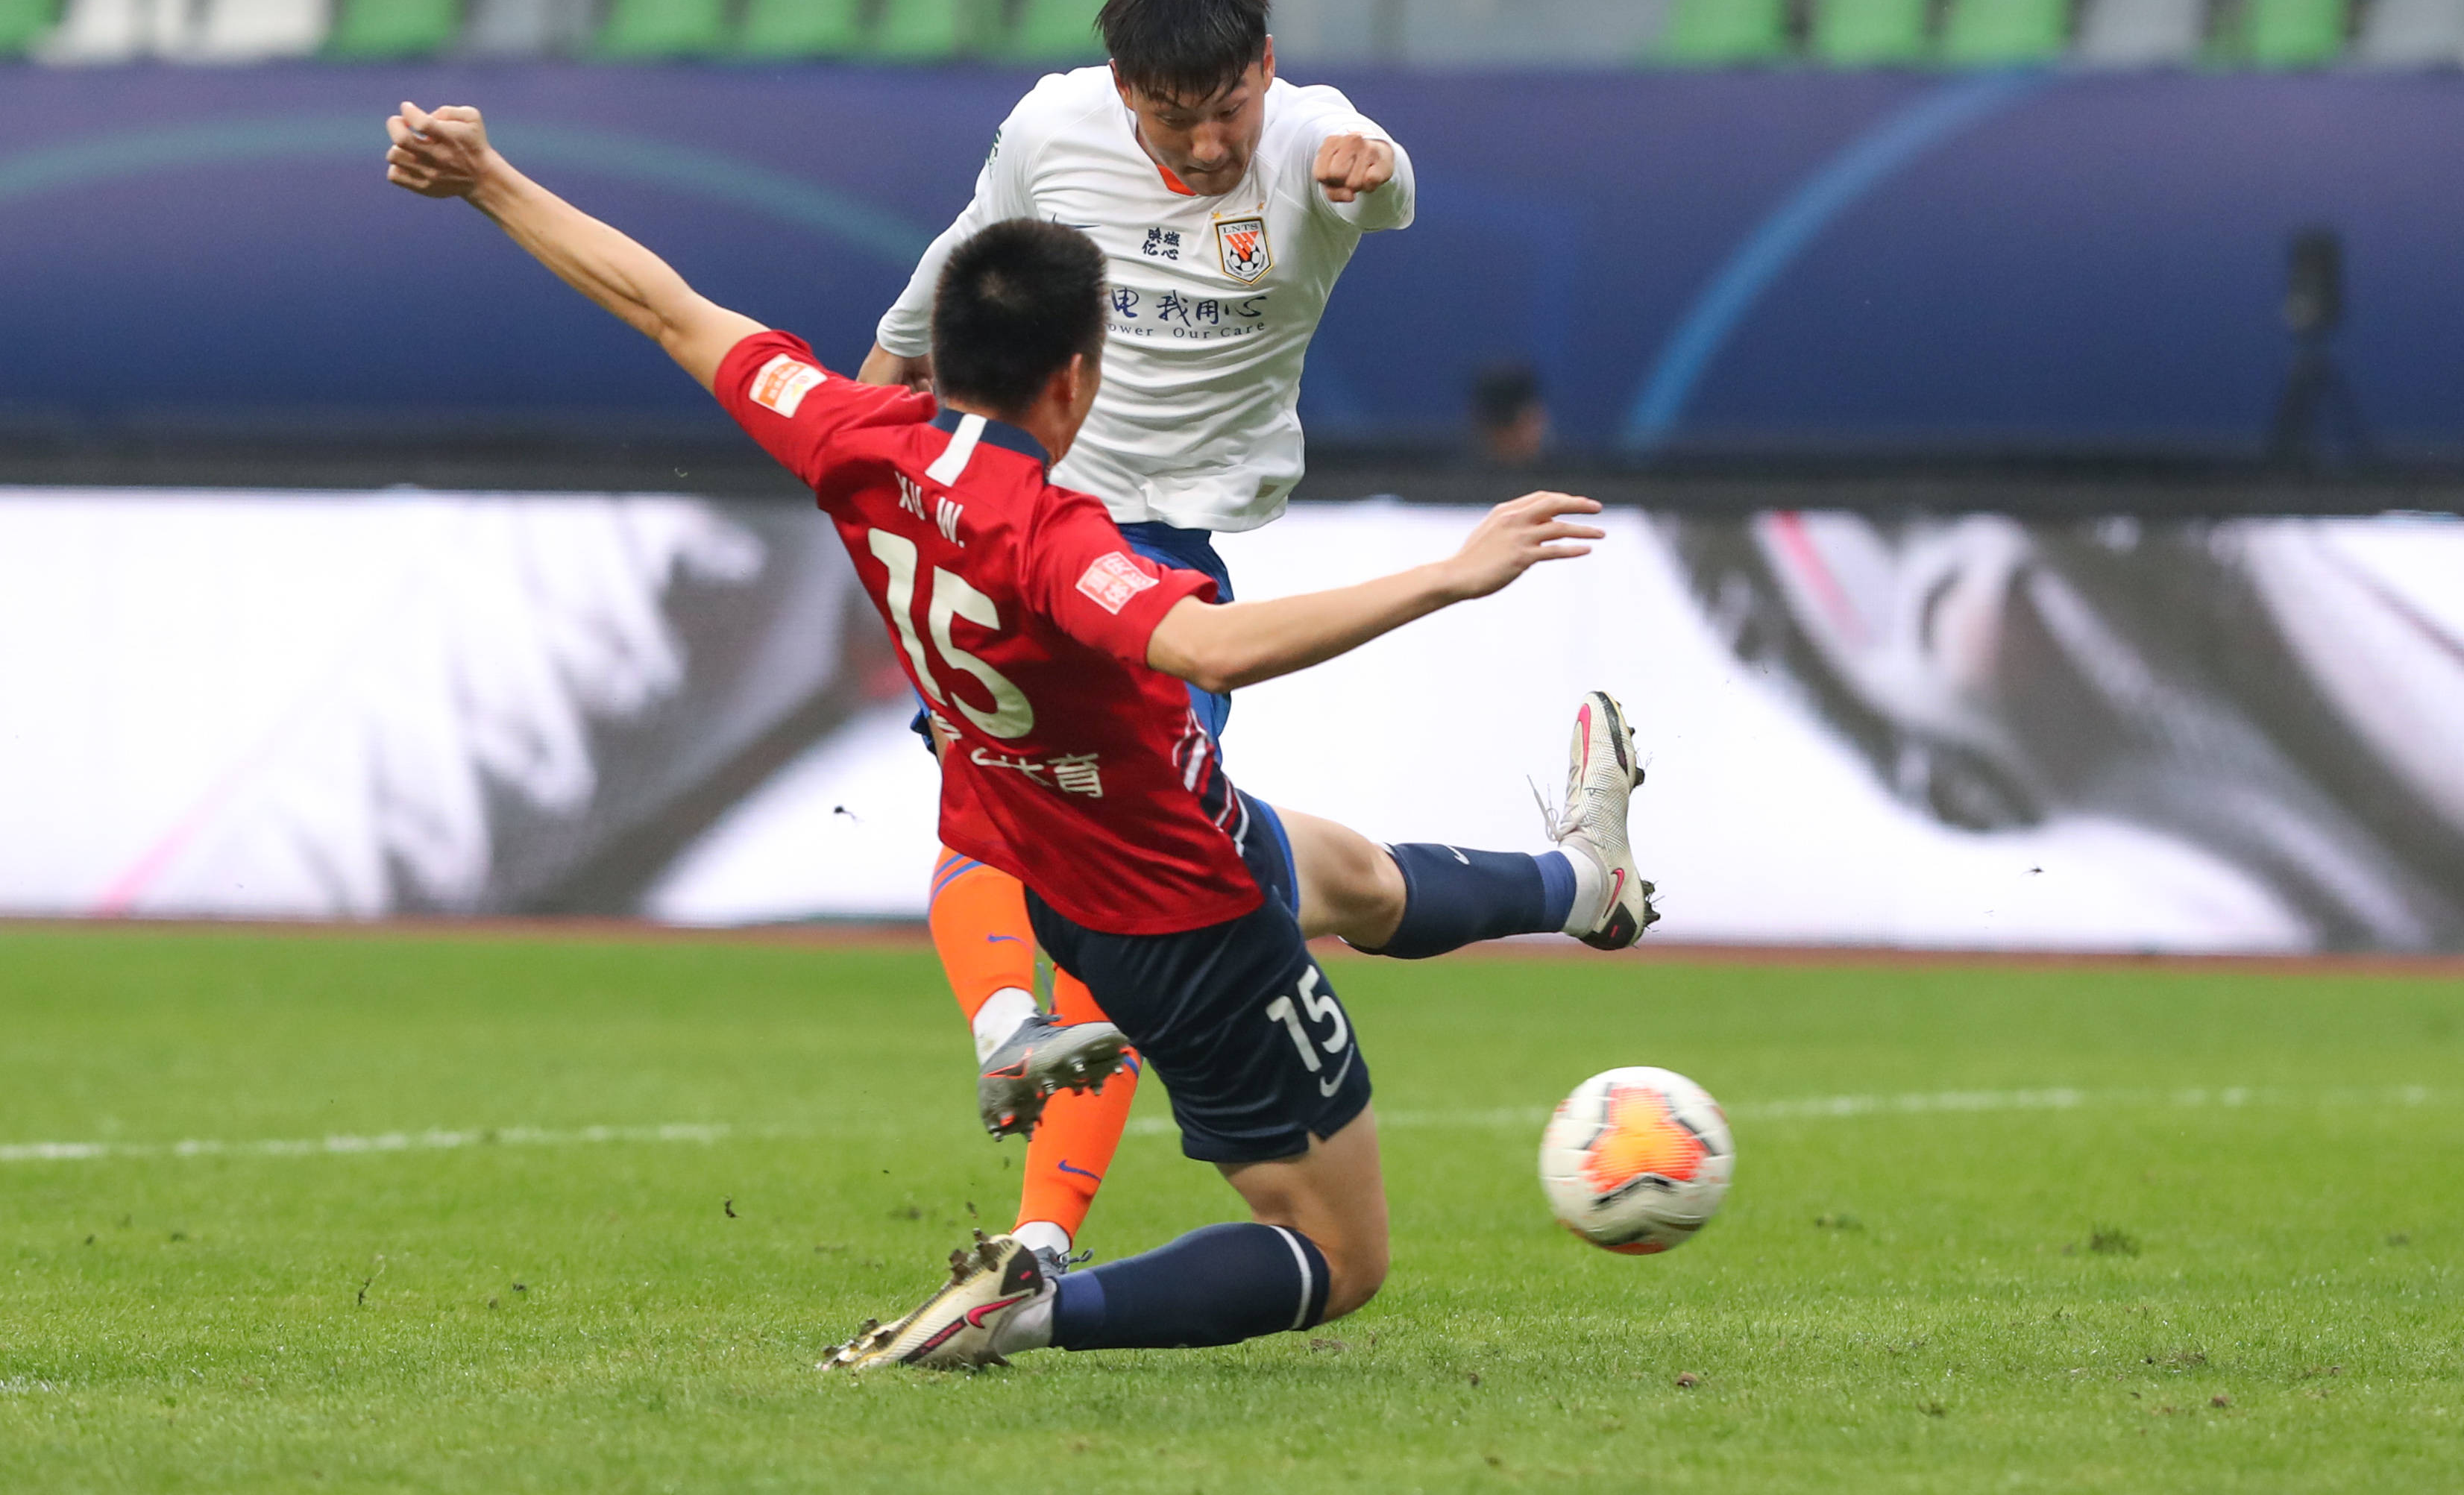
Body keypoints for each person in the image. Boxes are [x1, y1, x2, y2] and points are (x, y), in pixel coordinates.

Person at [380, 101, 1657, 1371]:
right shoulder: (1051, 536)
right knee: (1336, 1254)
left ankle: (1586, 886)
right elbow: (1211, 647)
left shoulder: (849, 434)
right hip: (1179, 904)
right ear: (1076, 380)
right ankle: (1026, 1312)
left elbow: (664, 305)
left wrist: (487, 178)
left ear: (938, 348)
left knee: (1357, 881)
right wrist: (1452, 572)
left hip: (1067, 858)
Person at [861, 0, 1420, 1268]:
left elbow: (1381, 175)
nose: (1211, 142)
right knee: (1021, 807)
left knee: (1134, 868)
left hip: (1170, 556)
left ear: (1263, 72)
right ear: (1124, 95)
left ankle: (1041, 1231)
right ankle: (1018, 1088)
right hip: (1028, 509)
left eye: (1229, 107)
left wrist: (1370, 170)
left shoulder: (1309, 142)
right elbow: (963, 263)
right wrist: (878, 415)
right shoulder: (1051, 127)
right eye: (1176, 121)